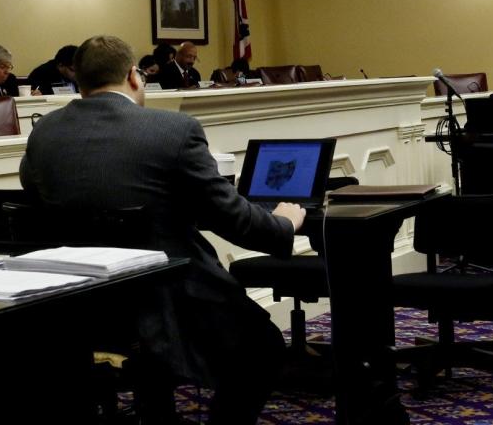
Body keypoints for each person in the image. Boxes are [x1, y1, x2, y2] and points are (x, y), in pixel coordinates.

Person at [20, 35, 305, 424]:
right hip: (167, 300)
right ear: (134, 76)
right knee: (263, 347)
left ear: (78, 81)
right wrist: (284, 223)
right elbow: (234, 219)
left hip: (76, 305)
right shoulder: (172, 129)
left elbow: (34, 193)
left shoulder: (45, 134)